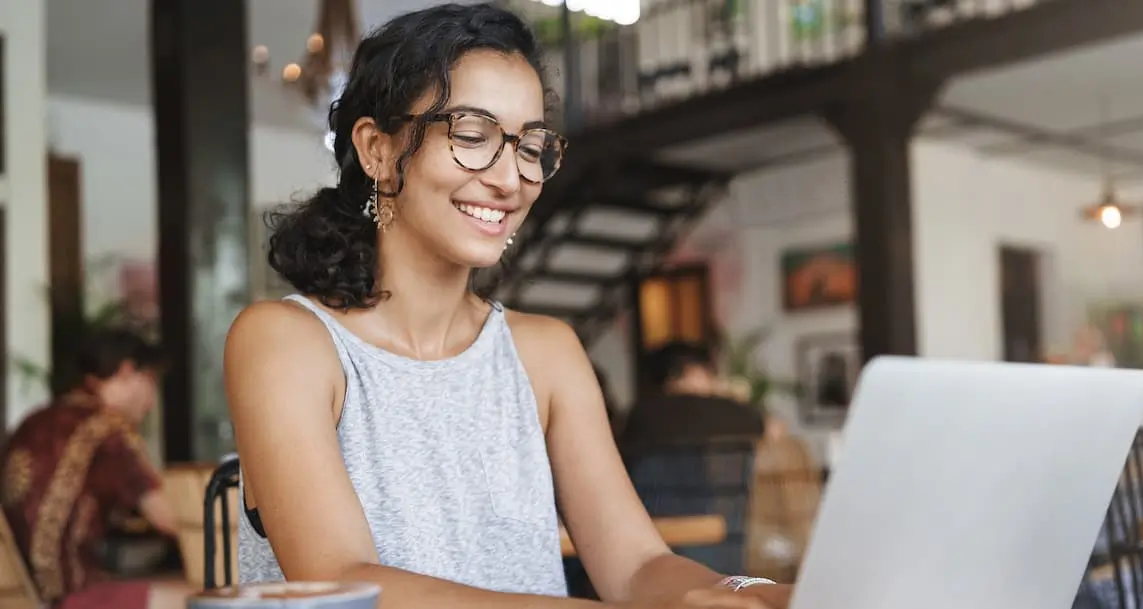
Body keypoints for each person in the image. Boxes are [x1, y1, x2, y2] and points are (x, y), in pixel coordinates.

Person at [223, 4, 791, 609]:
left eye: (531, 146)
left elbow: (638, 564)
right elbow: (344, 582)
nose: (511, 178)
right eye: (472, 136)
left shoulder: (545, 353)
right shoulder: (286, 342)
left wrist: (766, 595)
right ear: (377, 150)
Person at [0, 329, 191, 609]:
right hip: (70, 596)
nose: (151, 401)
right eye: (151, 381)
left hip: (19, 597)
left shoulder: (35, 422)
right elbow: (171, 519)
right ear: (127, 371)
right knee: (203, 599)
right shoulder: (108, 427)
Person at [619, 341, 765, 454]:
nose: (713, 379)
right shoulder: (741, 414)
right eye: (709, 371)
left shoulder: (639, 417)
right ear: (691, 372)